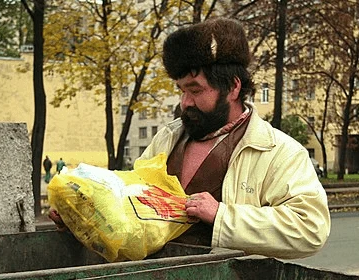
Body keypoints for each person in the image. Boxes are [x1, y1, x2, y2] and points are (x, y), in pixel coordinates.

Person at [139, 17, 330, 259]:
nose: (185, 102)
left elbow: (310, 228)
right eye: (182, 90)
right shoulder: (167, 139)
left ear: (233, 87)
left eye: (195, 90)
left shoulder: (279, 152)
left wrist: (222, 216)